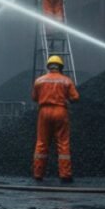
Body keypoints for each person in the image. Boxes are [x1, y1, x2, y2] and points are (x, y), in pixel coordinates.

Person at [32, 55, 80, 183]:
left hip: (44, 112)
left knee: (41, 143)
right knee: (63, 143)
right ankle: (65, 175)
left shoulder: (39, 81)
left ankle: (38, 174)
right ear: (60, 67)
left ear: (49, 66)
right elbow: (75, 97)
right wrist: (66, 99)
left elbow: (34, 98)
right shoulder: (66, 80)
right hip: (60, 111)